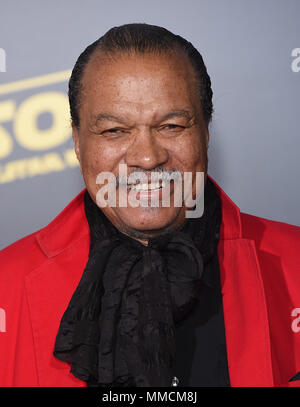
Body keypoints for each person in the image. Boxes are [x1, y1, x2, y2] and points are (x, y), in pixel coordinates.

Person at [0, 23, 299, 388]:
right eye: (114, 131)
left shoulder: (294, 263)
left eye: (172, 126)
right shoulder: (6, 286)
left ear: (205, 133)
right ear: (78, 142)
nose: (146, 157)